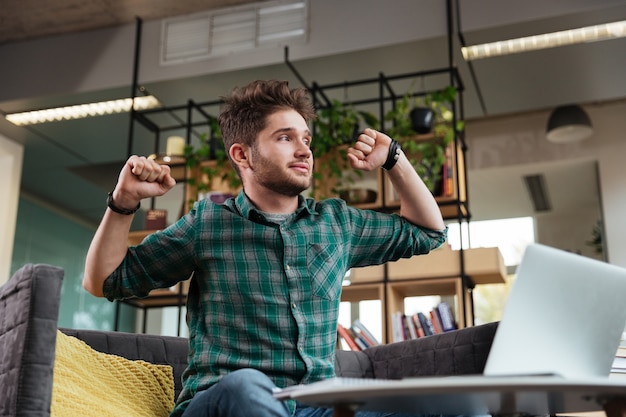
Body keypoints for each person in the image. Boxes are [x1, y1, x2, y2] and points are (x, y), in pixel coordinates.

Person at [83, 80, 448, 417]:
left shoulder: (337, 224)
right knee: (249, 385)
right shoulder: (207, 224)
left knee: (445, 406)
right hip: (228, 403)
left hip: (313, 405)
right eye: (285, 138)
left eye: (306, 139)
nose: (304, 150)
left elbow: (429, 231)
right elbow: (103, 281)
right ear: (243, 155)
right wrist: (124, 200)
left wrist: (394, 158)